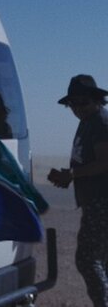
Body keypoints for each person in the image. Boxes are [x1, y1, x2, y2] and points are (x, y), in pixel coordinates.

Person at [48, 74, 108, 307]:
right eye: (73, 104)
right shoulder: (88, 123)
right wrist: (67, 176)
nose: (77, 108)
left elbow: (105, 162)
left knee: (87, 259)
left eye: (83, 102)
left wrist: (72, 175)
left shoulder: (100, 122)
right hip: (95, 201)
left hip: (102, 201)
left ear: (96, 100)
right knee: (100, 260)